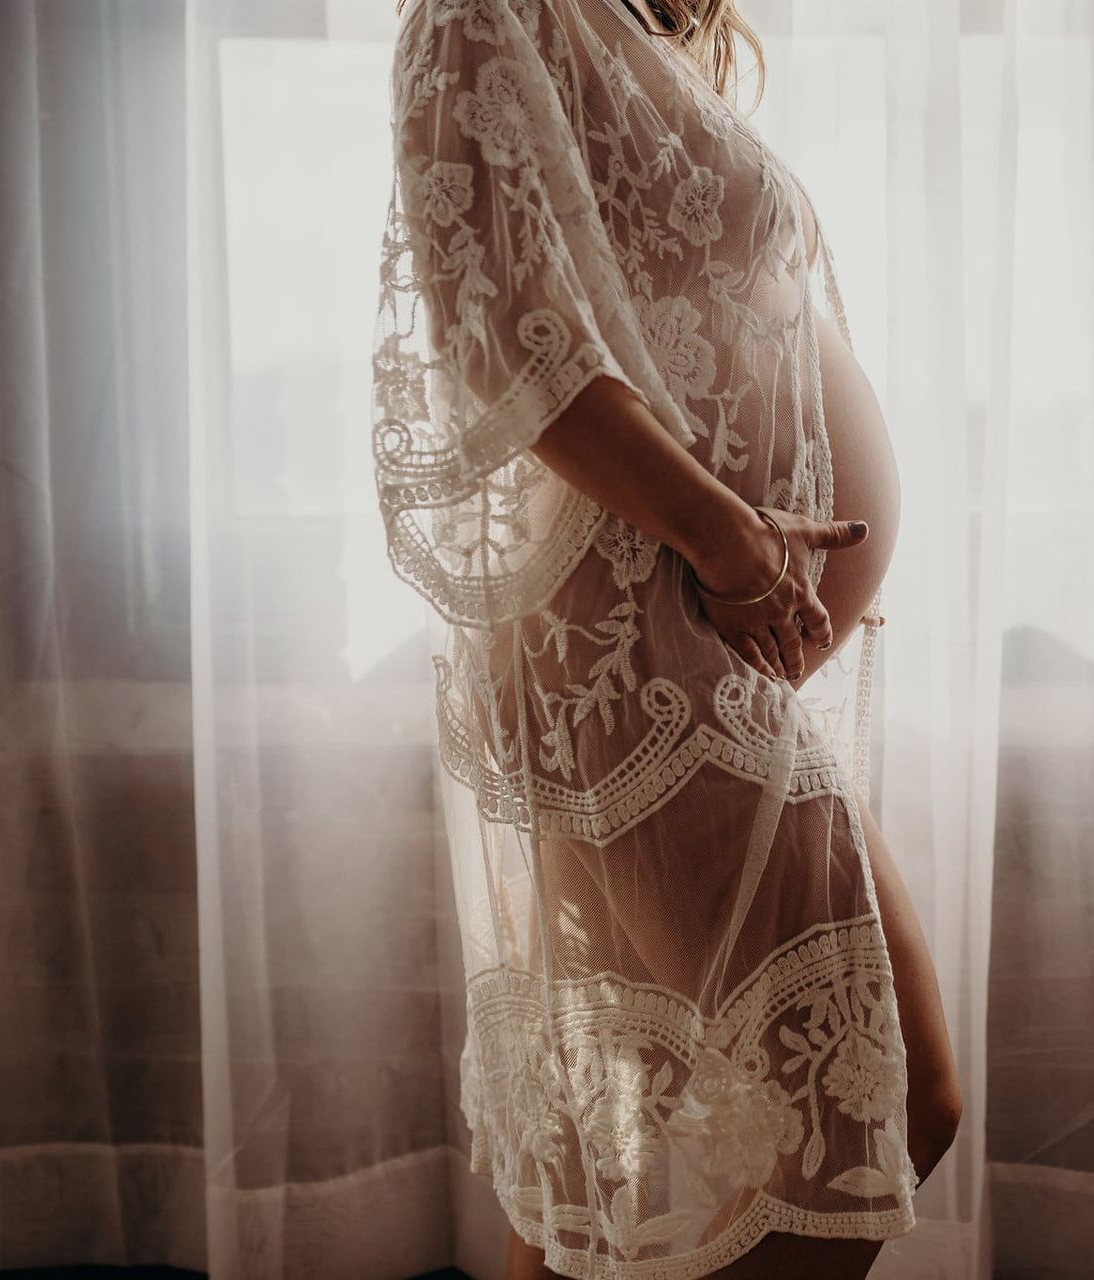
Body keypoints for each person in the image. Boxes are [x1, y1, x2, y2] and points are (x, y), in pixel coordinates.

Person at [370, 0, 961, 1275]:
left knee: (609, 1156)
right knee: (892, 1102)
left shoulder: (629, 29)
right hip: (631, 656)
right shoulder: (481, 11)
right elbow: (504, 339)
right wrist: (728, 537)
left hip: (689, 647)